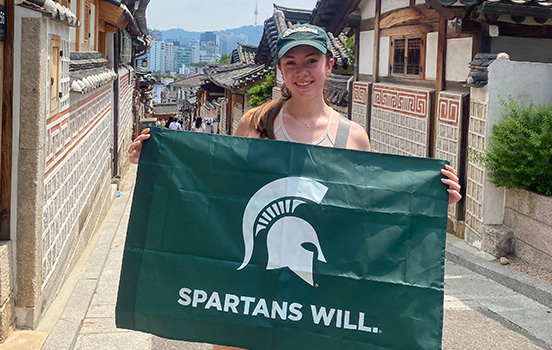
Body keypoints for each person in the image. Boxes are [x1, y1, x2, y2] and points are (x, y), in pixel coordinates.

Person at [128, 24, 461, 350]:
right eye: (291, 62)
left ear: (329, 65)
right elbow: (222, 191)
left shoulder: (352, 137)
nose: (302, 72)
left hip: (317, 287)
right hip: (252, 279)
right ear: (280, 70)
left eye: (311, 60)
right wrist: (158, 162)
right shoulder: (255, 124)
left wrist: (428, 201)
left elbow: (369, 213)